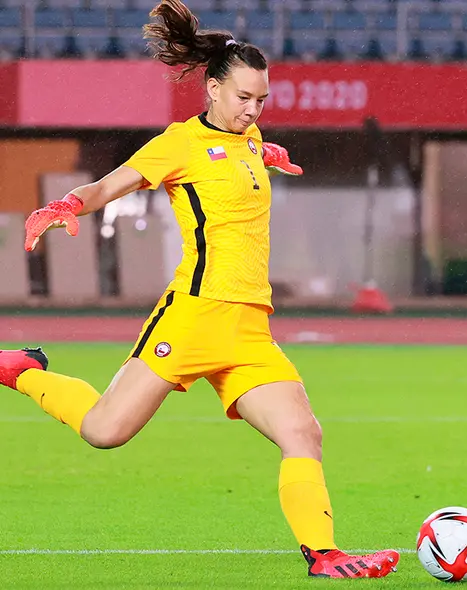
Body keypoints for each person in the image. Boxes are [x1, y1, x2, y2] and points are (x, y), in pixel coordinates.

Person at [0, 0, 398, 579]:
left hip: (250, 329)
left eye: (261, 100)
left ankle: (325, 555)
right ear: (211, 89)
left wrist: (269, 152)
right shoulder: (180, 143)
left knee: (303, 433)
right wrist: (65, 204)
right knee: (105, 431)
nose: (253, 109)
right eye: (243, 98)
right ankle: (21, 370)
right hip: (193, 316)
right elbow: (112, 185)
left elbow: (244, 154)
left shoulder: (250, 136)